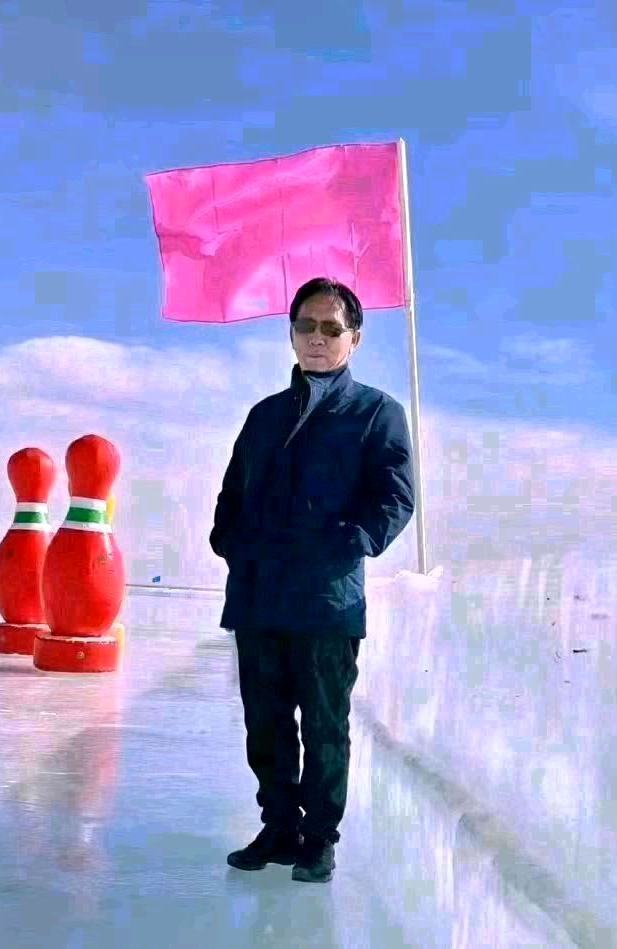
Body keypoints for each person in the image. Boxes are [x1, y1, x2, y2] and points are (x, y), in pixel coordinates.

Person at [210, 277, 415, 884]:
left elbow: (395, 497)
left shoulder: (376, 412)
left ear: (354, 338)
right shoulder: (265, 415)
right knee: (265, 723)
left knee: (325, 725)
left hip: (327, 600)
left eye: (331, 328)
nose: (317, 338)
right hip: (259, 596)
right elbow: (232, 492)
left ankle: (319, 837)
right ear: (292, 333)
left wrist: (349, 543)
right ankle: (278, 827)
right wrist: (230, 543)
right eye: (306, 325)